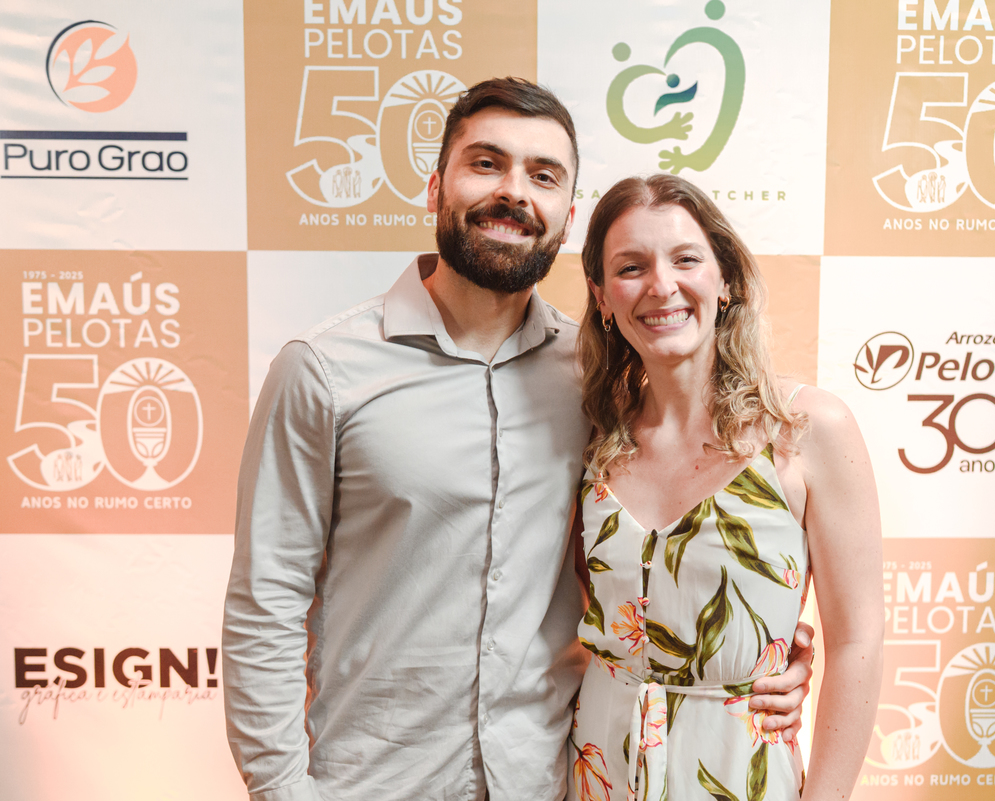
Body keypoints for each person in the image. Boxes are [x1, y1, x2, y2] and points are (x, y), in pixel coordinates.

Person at [222, 78, 813, 801]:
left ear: (567, 218)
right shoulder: (323, 370)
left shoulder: (600, 382)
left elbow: (652, 556)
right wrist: (281, 789)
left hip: (548, 779)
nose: (513, 192)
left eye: (544, 175)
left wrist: (766, 652)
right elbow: (265, 604)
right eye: (486, 163)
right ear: (435, 186)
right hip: (371, 783)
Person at [569, 174, 883, 800]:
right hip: (597, 770)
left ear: (726, 279)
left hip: (739, 773)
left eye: (686, 259)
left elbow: (858, 640)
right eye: (631, 267)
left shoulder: (805, 429)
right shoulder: (589, 435)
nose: (662, 285)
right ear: (601, 295)